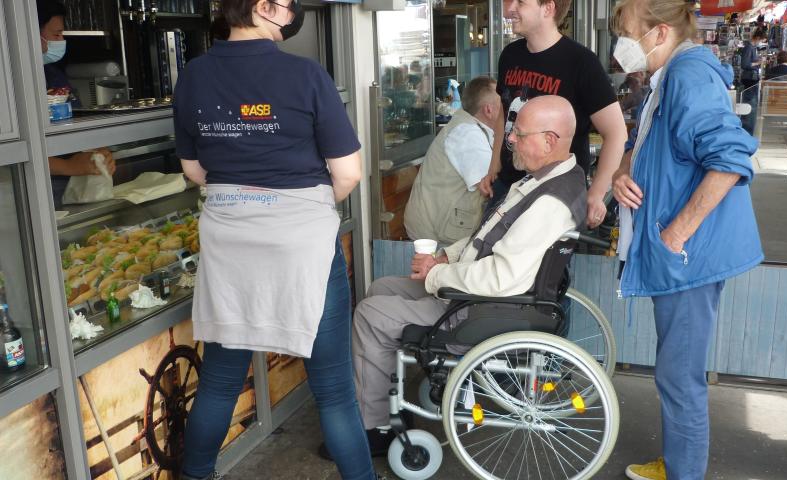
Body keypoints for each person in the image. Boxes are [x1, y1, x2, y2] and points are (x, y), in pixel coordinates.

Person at [171, 1, 374, 479]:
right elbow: (349, 173)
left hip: (229, 244)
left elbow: (194, 171)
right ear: (263, 6)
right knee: (334, 390)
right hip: (302, 247)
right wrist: (301, 205)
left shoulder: (193, 76)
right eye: (287, 4)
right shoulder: (306, 75)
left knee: (219, 383)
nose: (294, 12)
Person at [353, 96, 586, 455]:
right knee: (380, 287)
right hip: (478, 293)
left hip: (481, 307)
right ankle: (388, 390)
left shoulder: (549, 202)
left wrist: (437, 275)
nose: (509, 139)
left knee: (369, 314)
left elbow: (501, 278)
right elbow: (489, 236)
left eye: (519, 134)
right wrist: (446, 256)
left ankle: (376, 427)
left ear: (549, 140)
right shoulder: (550, 180)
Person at [610, 0, 763, 478]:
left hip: (686, 258)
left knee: (679, 375)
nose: (620, 44)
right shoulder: (670, 76)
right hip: (680, 256)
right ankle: (679, 463)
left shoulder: (688, 76)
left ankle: (684, 472)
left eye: (627, 32)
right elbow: (643, 143)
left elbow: (731, 159)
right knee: (676, 369)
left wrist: (675, 235)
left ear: (659, 33)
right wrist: (622, 171)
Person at [477, 0, 627, 229]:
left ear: (548, 8)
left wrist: (597, 192)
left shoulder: (581, 62)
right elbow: (503, 116)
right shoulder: (510, 55)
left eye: (521, 2)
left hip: (554, 197)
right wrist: (493, 166)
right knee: (484, 248)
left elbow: (616, 133)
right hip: (507, 188)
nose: (509, 9)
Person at [404, 76, 502, 244]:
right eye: (503, 105)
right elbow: (491, 186)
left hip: (442, 225)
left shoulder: (472, 127)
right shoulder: (467, 134)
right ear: (489, 110)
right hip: (435, 236)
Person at [36, 0, 116, 207]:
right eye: (56, 35)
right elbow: (15, 153)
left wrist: (99, 151)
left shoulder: (53, 75)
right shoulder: (9, 88)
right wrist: (68, 166)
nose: (61, 40)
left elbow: (78, 120)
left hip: (72, 191)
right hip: (35, 195)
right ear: (31, 34)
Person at [739, 29, 765, 135]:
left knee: (751, 104)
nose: (761, 42)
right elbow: (745, 64)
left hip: (752, 78)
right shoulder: (749, 48)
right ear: (758, 38)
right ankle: (747, 130)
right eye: (761, 40)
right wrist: (758, 63)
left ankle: (748, 129)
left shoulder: (753, 48)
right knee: (750, 105)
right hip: (749, 80)